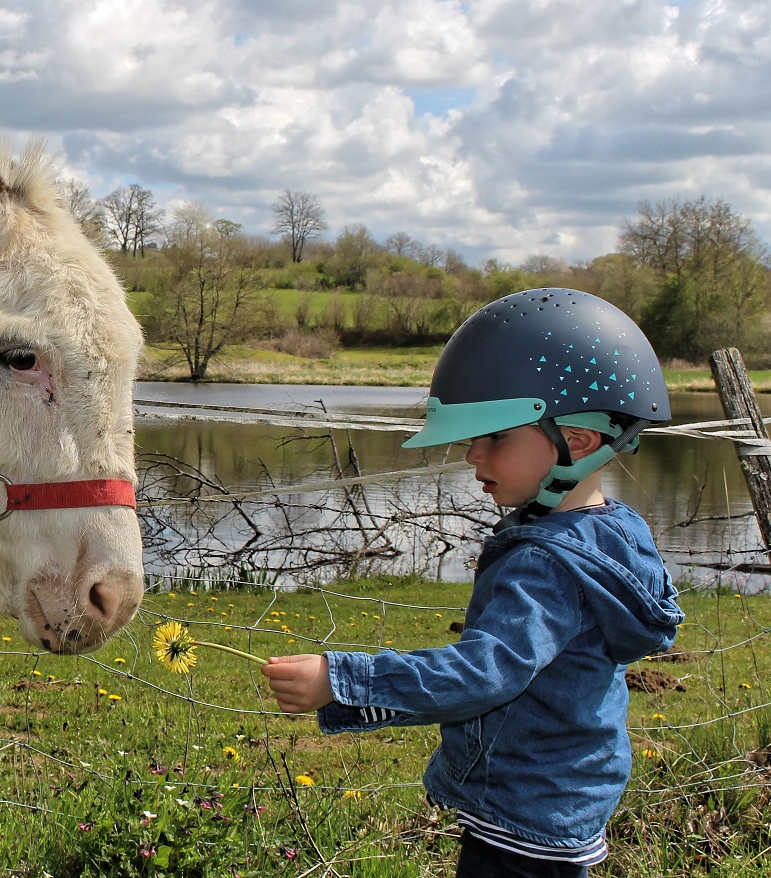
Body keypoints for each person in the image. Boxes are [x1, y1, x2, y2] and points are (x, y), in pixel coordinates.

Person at [261, 288, 684, 877]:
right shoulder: (616, 532)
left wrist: (343, 681)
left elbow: (483, 675)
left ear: (578, 442)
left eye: (496, 437)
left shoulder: (546, 564)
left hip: (521, 822)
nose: (472, 456)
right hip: (566, 802)